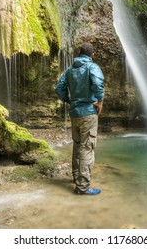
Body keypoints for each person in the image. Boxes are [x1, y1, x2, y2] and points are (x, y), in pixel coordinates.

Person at [55, 42, 104, 195]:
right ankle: (83, 187)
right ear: (92, 55)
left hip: (75, 114)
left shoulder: (70, 69)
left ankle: (77, 177)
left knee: (77, 146)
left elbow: (59, 88)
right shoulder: (92, 67)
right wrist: (100, 100)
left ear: (79, 54)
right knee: (87, 147)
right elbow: (97, 83)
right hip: (88, 113)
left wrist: (70, 100)